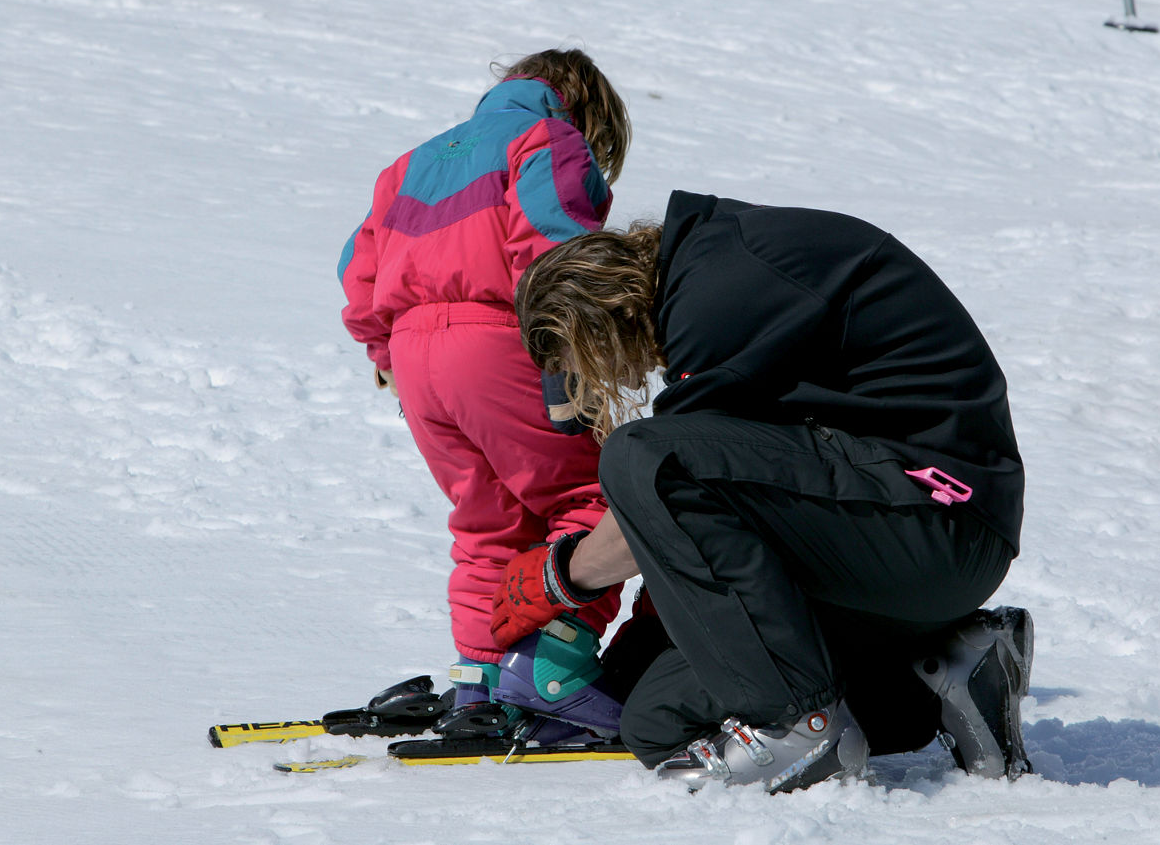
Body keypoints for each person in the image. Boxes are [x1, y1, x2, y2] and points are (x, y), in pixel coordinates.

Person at [492, 189, 1034, 792]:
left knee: (644, 453)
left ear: (598, 322)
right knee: (656, 719)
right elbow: (727, 508)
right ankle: (940, 670)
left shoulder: (720, 287)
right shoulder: (708, 283)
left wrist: (562, 576)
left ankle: (800, 725)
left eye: (588, 364)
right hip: (883, 534)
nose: (613, 379)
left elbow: (668, 482)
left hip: (937, 515)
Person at [337, 49, 631, 716]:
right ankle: (554, 667)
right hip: (502, 336)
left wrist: (386, 347)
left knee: (485, 522)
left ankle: (481, 680)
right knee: (590, 490)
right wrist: (575, 348)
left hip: (413, 358)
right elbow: (557, 244)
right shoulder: (546, 138)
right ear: (582, 106)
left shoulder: (408, 165)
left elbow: (357, 270)